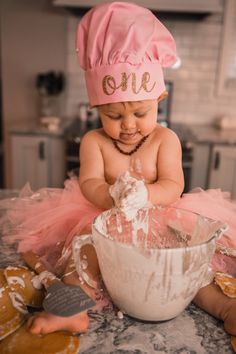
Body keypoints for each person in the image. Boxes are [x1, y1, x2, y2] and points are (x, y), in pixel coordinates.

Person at [0, 1, 236, 337]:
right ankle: (74, 308)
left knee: (183, 266)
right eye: (113, 116)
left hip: (159, 217)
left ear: (160, 99)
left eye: (140, 114)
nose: (128, 126)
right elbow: (89, 182)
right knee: (81, 253)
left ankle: (225, 307)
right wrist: (110, 195)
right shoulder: (93, 141)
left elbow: (173, 184)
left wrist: (146, 194)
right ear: (96, 107)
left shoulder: (165, 140)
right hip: (101, 218)